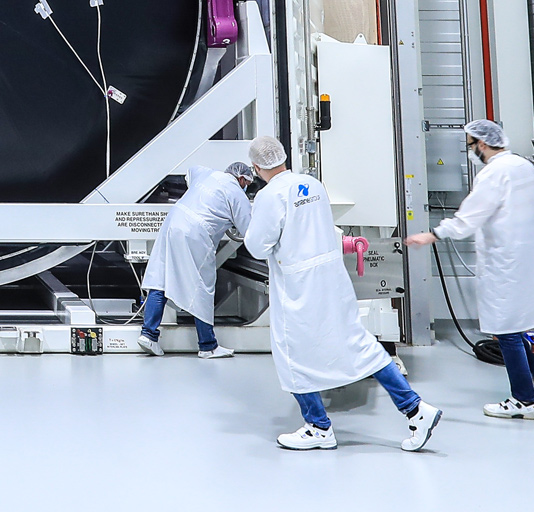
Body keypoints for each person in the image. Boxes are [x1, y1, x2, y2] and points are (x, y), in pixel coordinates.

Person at [243, 135, 442, 451]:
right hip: (332, 280)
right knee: (360, 343)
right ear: (283, 156)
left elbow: (256, 246)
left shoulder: (270, 196)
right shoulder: (312, 184)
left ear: (256, 167)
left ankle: (318, 427)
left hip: (300, 287)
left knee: (293, 354)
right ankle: (416, 409)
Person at [406, 118, 534, 419]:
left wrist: (434, 234)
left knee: (507, 332)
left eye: (472, 145)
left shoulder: (494, 173)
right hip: (523, 258)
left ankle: (524, 401)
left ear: (484, 143)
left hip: (503, 261)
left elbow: (470, 217)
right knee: (516, 326)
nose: (472, 151)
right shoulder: (523, 166)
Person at [138, 162, 255, 358]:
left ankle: (148, 335)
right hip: (196, 233)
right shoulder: (237, 194)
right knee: (201, 286)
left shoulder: (206, 174)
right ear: (243, 179)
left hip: (174, 222)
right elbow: (249, 232)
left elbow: (190, 170)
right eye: (247, 184)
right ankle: (207, 346)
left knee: (161, 278)